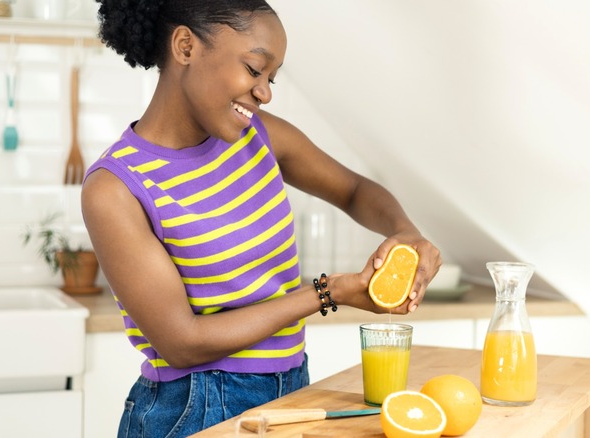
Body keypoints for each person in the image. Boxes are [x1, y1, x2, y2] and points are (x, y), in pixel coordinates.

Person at [81, 0, 442, 436]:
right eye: (254, 70)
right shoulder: (116, 187)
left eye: (271, 78)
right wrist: (328, 293)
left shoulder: (260, 136)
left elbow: (355, 190)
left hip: (290, 393)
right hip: (193, 409)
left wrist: (406, 232)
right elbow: (182, 342)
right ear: (184, 46)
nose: (266, 92)